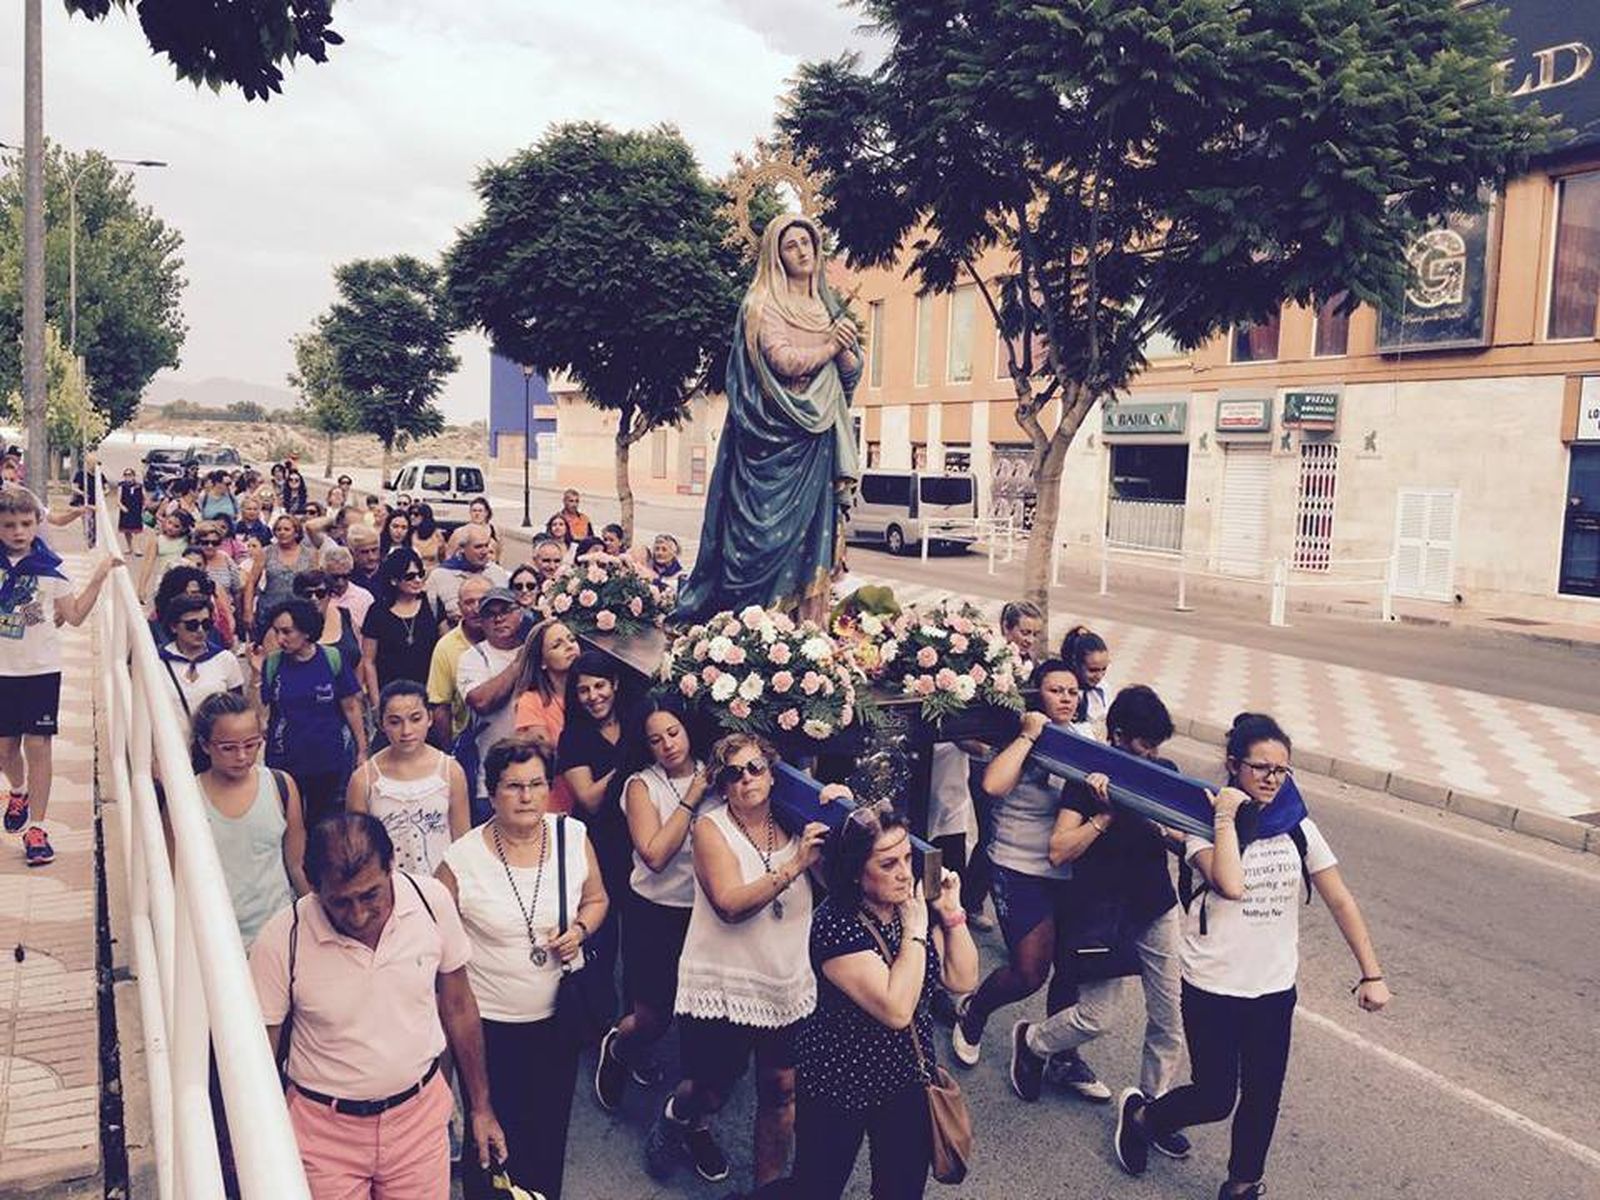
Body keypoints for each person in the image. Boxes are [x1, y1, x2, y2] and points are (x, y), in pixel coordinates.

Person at [1114, 713, 1390, 1200]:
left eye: (1281, 770)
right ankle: (1143, 1118)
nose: (1271, 778)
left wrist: (1372, 973)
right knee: (1216, 1096)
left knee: (1263, 1095)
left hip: (1273, 987)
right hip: (1213, 984)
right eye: (1260, 767)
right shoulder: (1201, 822)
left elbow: (1340, 899)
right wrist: (1224, 816)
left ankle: (1242, 1183)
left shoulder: (1297, 828)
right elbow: (1230, 884)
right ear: (1233, 765)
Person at [249, 813, 506, 1199]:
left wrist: (481, 1107)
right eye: (340, 902)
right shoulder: (281, 940)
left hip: (419, 1124)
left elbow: (458, 1006)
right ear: (314, 887)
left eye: (371, 895)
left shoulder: (432, 901)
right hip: (322, 1137)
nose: (358, 915)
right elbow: (258, 1057)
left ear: (391, 866)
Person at [644, 733, 838, 1192]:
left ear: (772, 774)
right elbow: (730, 905)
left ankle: (767, 1191)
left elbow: (836, 883)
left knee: (781, 1088)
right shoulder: (710, 828)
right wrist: (794, 864)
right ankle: (677, 1117)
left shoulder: (795, 822)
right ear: (723, 785)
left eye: (755, 768)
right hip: (725, 983)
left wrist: (838, 814)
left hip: (782, 979)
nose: (746, 778)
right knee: (710, 1090)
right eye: (733, 773)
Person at [1010, 685, 1190, 1157]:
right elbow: (1058, 849)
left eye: (1157, 746)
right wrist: (1105, 816)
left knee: (1169, 1018)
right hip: (1102, 913)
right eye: (1143, 745)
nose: (1151, 755)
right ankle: (1033, 1042)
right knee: (1096, 1017)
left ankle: (1152, 1110)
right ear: (1119, 735)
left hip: (1155, 906)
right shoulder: (1085, 779)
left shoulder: (1164, 772)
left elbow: (1183, 840)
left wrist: (1159, 822)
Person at [439, 739, 608, 1200]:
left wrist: (579, 930)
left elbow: (597, 899)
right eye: (514, 786)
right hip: (490, 1028)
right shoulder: (461, 861)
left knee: (547, 1135)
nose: (527, 796)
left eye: (536, 784)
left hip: (558, 1021)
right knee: (491, 1141)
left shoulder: (572, 836)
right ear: (492, 792)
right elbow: (437, 949)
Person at [676, 213, 862, 624]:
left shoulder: (824, 307)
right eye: (791, 245)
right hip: (769, 438)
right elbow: (783, 361)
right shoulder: (762, 305)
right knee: (758, 539)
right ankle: (752, 630)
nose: (802, 251)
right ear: (776, 255)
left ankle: (805, 634)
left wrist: (847, 349)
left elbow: (845, 376)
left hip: (816, 440)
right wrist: (832, 346)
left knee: (812, 537)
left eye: (807, 242)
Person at [792, 803, 979, 1200]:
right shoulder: (835, 924)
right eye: (888, 864)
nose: (905, 873)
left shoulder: (912, 906)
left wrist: (952, 914)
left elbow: (962, 979)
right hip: (838, 1079)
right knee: (816, 1188)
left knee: (901, 1190)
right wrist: (915, 930)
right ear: (856, 872)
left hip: (906, 1075)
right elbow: (896, 1009)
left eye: (908, 858)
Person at [950, 659, 1110, 1100]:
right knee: (1028, 971)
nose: (1066, 698)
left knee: (1071, 969)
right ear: (1036, 693)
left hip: (1071, 868)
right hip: (1019, 865)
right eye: (1056, 690)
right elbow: (993, 786)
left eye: (1072, 691)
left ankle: (1061, 1054)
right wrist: (1027, 735)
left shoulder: (1083, 738)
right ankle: (974, 1011)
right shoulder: (1018, 733)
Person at [593, 699, 707, 1113]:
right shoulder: (641, 785)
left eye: (673, 733)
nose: (668, 745)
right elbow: (655, 855)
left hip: (706, 914)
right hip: (654, 911)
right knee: (652, 1018)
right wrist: (692, 797)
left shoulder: (715, 772)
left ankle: (690, 1112)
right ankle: (619, 1046)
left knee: (699, 1015)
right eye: (656, 740)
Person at [0, 489, 121, 865]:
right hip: (2, 671)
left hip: (40, 669)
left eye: (25, 523)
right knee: (5, 749)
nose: (18, 532)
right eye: (8, 525)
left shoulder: (52, 569)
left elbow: (75, 616)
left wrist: (99, 576)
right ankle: (18, 791)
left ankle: (37, 828)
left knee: (38, 746)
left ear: (38, 523)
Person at [188, 691, 307, 946]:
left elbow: (296, 864)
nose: (242, 756)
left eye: (251, 745)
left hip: (280, 935)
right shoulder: (187, 798)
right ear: (205, 745)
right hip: (217, 940)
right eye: (228, 748)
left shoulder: (281, 786)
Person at [554, 651, 638, 993]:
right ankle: (598, 1013)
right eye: (583, 690)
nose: (593, 696)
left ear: (614, 684)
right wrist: (626, 765)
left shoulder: (635, 721)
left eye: (599, 686)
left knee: (638, 941)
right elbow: (588, 798)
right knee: (601, 938)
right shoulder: (573, 737)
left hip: (639, 838)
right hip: (599, 844)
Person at [260, 599, 367, 826]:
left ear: (306, 631)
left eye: (287, 632)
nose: (280, 639)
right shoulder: (273, 664)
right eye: (277, 632)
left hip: (328, 759)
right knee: (288, 820)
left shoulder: (332, 659)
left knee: (325, 822)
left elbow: (351, 706)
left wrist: (361, 750)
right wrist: (254, 675)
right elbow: (262, 709)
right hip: (285, 760)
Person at [347, 681, 469, 876]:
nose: (406, 731)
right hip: (389, 884)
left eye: (415, 719)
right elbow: (358, 848)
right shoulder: (364, 780)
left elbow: (462, 841)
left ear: (429, 718)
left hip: (442, 883)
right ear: (382, 724)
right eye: (395, 722)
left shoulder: (451, 771)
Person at [457, 588, 530, 819]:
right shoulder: (472, 658)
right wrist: (518, 665)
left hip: (536, 774)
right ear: (482, 621)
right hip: (490, 779)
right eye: (490, 614)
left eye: (506, 610)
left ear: (520, 613)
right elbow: (481, 701)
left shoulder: (538, 650)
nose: (499, 619)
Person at [510, 619, 579, 813]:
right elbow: (544, 759)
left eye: (571, 639)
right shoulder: (531, 701)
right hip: (556, 806)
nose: (569, 647)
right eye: (557, 645)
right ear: (541, 661)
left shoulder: (592, 695)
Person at [360, 548, 443, 704]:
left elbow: (444, 646)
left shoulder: (432, 605)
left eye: (420, 574)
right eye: (410, 576)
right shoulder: (377, 612)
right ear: (394, 580)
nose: (417, 580)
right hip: (390, 695)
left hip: (428, 694)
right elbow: (368, 661)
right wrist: (377, 702)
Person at [157, 594, 246, 722]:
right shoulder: (158, 662)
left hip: (215, 734)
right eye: (192, 625)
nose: (200, 630)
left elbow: (238, 709)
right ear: (174, 627)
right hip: (171, 734)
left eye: (206, 624)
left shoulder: (224, 659)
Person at [428, 575, 489, 750]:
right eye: (469, 602)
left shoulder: (508, 638)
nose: (476, 609)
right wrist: (449, 750)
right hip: (466, 742)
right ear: (460, 607)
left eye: (482, 601)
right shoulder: (446, 647)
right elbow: (440, 705)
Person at [244, 515, 316, 643]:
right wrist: (248, 611)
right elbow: (251, 582)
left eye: (286, 529)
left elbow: (316, 583)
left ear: (296, 532)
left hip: (299, 611)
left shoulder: (310, 554)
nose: (282, 532)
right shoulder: (266, 552)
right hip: (269, 611)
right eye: (278, 529)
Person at [428, 525, 510, 624]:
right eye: (478, 547)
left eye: (486, 545)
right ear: (462, 548)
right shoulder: (440, 576)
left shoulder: (497, 573)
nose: (484, 551)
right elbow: (430, 616)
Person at [191, 520, 243, 635]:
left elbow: (237, 590)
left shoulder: (225, 558)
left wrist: (239, 618)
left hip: (225, 615)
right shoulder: (191, 559)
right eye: (205, 542)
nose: (210, 546)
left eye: (215, 543)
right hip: (198, 617)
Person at [1060, 625, 1112, 731]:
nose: (1099, 676)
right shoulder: (1065, 693)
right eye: (1093, 670)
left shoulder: (1103, 687)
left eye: (1104, 669)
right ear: (1075, 663)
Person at [136, 507, 192, 602]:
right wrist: (141, 588)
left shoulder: (187, 540)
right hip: (163, 580)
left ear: (184, 529)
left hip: (184, 581)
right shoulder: (157, 540)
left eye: (176, 526)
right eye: (169, 522)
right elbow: (148, 564)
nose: (170, 527)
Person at [345, 523, 383, 595]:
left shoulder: (390, 573)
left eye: (374, 550)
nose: (371, 557)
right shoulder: (346, 579)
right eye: (364, 552)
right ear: (352, 553)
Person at [116, 468, 146, 555]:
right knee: (127, 530)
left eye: (129, 475)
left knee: (136, 530)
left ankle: (137, 548)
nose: (127, 477)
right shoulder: (121, 486)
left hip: (136, 510)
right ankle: (129, 547)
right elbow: (118, 499)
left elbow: (144, 498)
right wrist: (122, 507)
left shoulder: (139, 486)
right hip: (126, 510)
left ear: (133, 476)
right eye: (126, 475)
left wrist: (144, 507)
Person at [410, 504, 445, 570]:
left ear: (425, 516)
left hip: (433, 570)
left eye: (416, 514)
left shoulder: (437, 535)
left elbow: (443, 556)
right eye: (410, 514)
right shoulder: (409, 534)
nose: (412, 517)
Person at [467, 496, 500, 561]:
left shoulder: (493, 529)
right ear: (470, 513)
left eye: (480, 511)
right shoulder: (464, 531)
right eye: (474, 511)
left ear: (486, 513)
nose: (477, 513)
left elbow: (498, 552)